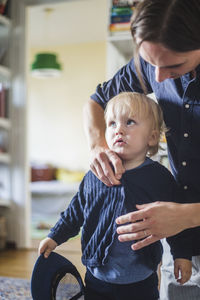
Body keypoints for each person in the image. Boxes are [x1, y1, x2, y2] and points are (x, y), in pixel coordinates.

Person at [83, 0, 200, 299]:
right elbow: (95, 102)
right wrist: (97, 145)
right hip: (176, 230)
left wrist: (189, 216)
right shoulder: (152, 64)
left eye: (174, 65)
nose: (157, 79)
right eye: (151, 64)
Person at [39, 92, 192, 300]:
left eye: (129, 122)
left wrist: (181, 255)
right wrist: (54, 236)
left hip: (142, 278)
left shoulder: (159, 177)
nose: (118, 129)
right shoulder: (95, 175)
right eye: (111, 124)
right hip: (98, 276)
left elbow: (176, 220)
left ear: (152, 137)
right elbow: (75, 213)